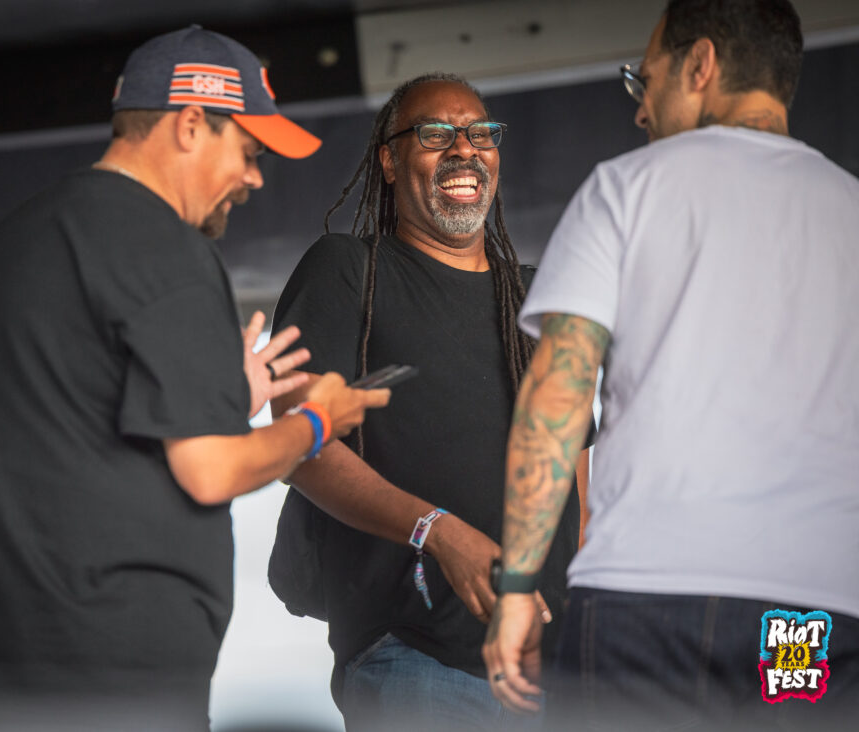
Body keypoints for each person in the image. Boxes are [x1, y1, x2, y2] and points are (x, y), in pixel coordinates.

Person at [0, 25, 389, 731]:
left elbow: (65, 423)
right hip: (110, 673)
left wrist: (223, 395)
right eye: (249, 152)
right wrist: (318, 421)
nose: (255, 178)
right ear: (190, 124)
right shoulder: (165, 246)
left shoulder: (5, 249)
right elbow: (211, 471)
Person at [483, 1, 859, 730]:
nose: (640, 108)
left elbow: (557, 397)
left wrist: (519, 586)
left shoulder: (626, 188)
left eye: (645, 79)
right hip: (810, 613)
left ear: (701, 65)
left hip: (643, 603)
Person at [268, 73, 593, 731]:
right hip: (416, 659)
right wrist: (436, 531)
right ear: (389, 161)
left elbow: (574, 484)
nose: (465, 149)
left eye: (481, 134)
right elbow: (298, 441)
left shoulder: (539, 299)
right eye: (436, 133)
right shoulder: (347, 270)